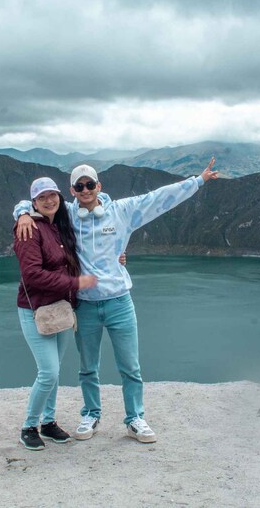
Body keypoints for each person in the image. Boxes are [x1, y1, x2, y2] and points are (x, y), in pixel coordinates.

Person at [15, 158, 218, 443]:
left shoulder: (122, 211)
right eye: (79, 186)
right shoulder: (67, 216)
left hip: (120, 302)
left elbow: (158, 199)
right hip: (84, 304)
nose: (85, 190)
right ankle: (91, 414)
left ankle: (135, 418)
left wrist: (197, 181)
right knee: (87, 367)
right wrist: (23, 212)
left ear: (99, 186)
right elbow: (36, 204)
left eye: (89, 184)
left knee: (130, 366)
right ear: (71, 191)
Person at [13, 177, 98, 451]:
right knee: (48, 372)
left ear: (60, 197)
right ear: (34, 202)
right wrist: (75, 284)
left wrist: (118, 257)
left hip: (61, 309)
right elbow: (33, 275)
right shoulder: (29, 230)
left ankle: (48, 422)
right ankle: (29, 426)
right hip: (35, 309)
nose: (49, 200)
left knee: (55, 370)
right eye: (42, 197)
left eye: (53, 195)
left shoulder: (59, 226)